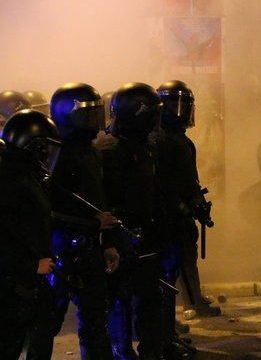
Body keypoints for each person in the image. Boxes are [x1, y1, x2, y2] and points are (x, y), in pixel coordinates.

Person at [27, 83, 120, 360]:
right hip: (60, 251)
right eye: (87, 114)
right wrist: (90, 226)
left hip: (89, 250)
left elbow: (99, 201)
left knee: (95, 322)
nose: (94, 121)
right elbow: (44, 213)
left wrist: (108, 243)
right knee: (47, 324)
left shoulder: (91, 152)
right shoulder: (53, 155)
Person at [104, 82, 165, 360]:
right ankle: (122, 352)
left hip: (145, 236)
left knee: (149, 299)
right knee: (120, 302)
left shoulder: (144, 147)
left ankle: (150, 352)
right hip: (119, 238)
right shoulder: (109, 150)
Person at [155, 80, 215, 358]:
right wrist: (181, 205)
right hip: (165, 217)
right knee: (165, 273)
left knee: (181, 260)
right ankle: (165, 330)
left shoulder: (182, 141)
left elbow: (190, 180)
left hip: (179, 216)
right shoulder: (158, 140)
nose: (179, 112)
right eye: (172, 105)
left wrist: (197, 203)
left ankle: (174, 321)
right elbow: (163, 184)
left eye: (183, 105)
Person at [0, 109, 60, 359]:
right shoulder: (10, 182)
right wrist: (31, 265)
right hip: (13, 286)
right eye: (45, 148)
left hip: (28, 282)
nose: (48, 154)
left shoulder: (26, 178)